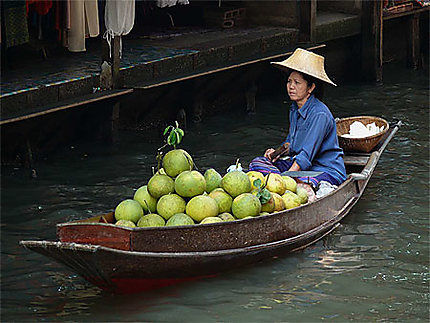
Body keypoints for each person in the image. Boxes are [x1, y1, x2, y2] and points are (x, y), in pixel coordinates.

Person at [249, 48, 347, 189]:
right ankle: (277, 178)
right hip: (301, 166)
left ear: (311, 87)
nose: (291, 87)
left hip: (324, 170)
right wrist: (276, 152)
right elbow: (291, 144)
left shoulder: (320, 115)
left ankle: (278, 179)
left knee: (301, 184)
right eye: (289, 82)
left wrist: (284, 179)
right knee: (257, 163)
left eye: (297, 83)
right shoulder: (294, 109)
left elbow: (306, 156)